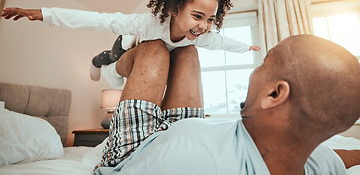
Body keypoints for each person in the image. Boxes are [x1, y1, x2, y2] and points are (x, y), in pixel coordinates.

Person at [82, 34, 358, 175]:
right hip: (181, 130)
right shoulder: (319, 160)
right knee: (187, 50)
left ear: (274, 95)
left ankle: (109, 66)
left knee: (153, 48)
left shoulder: (192, 160)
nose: (253, 73)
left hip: (136, 148)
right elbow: (343, 158)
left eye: (264, 64)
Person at [1, 0, 260, 88]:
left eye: (211, 20)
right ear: (173, 8)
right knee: (109, 57)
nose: (204, 26)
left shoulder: (202, 36)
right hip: (127, 45)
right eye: (197, 16)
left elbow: (222, 43)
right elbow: (97, 20)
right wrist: (44, 13)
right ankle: (96, 60)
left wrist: (245, 49)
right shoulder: (145, 24)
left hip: (153, 61)